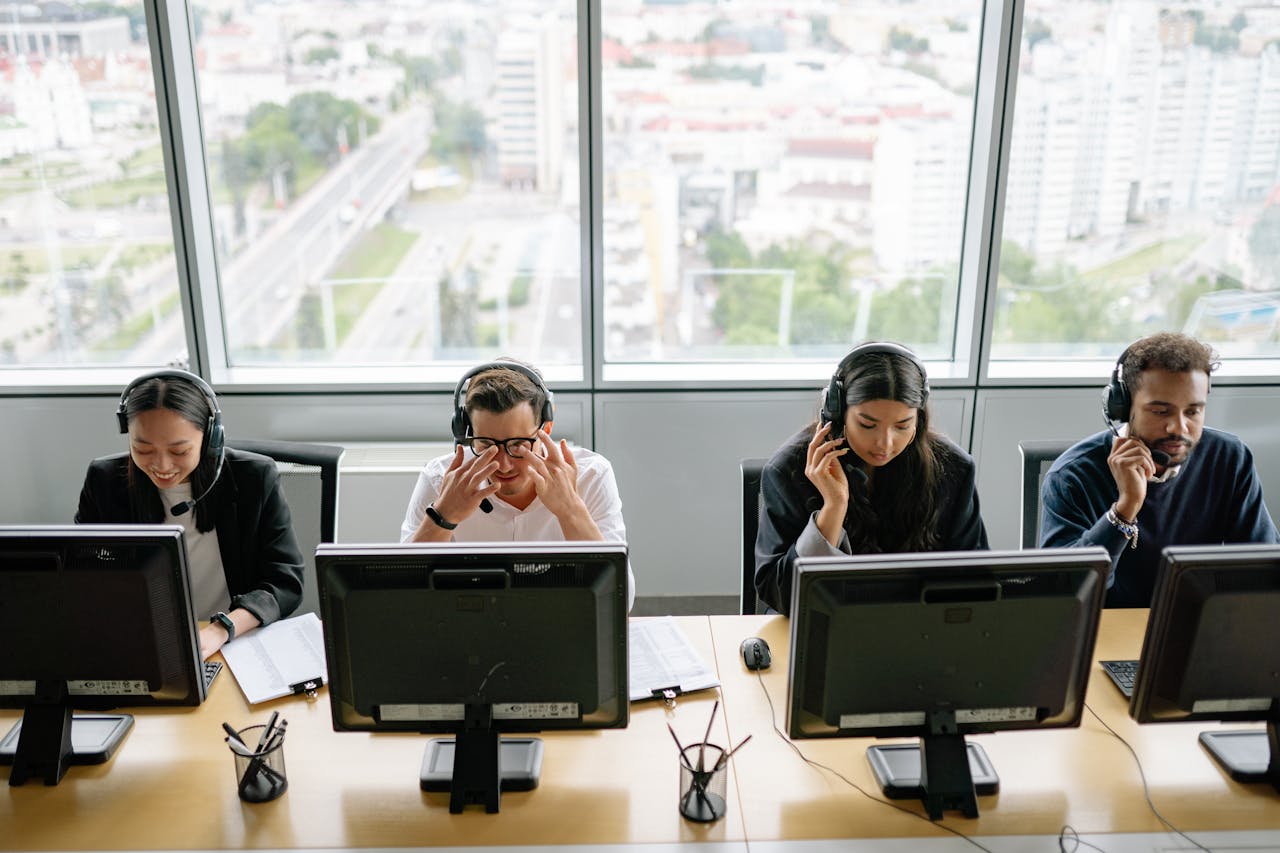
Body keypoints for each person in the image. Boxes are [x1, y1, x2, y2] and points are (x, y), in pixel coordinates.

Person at [75, 369, 304, 659]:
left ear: (211, 439)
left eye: (179, 451)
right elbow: (82, 574)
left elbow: (285, 581)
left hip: (233, 640)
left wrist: (221, 629)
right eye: (142, 449)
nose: (162, 465)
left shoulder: (253, 478)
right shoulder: (105, 481)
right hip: (144, 641)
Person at [1040, 332, 1279, 607]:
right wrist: (1125, 509)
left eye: (1192, 412)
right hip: (1106, 638)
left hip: (1197, 633)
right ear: (1124, 407)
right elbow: (1064, 596)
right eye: (1161, 411)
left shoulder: (1228, 458)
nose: (1179, 427)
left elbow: (1262, 569)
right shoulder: (1072, 477)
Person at [755, 342, 989, 615]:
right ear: (837, 412)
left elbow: (976, 582)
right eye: (867, 424)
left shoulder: (953, 469)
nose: (885, 443)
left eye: (902, 426)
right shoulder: (788, 470)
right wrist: (832, 509)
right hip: (822, 623)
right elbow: (783, 597)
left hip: (916, 629)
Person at [400, 359, 634, 610]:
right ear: (466, 433)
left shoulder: (592, 476)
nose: (504, 464)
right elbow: (403, 596)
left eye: (518, 444)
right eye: (487, 445)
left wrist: (571, 510)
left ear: (547, 427)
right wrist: (442, 516)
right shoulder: (440, 480)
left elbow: (621, 601)